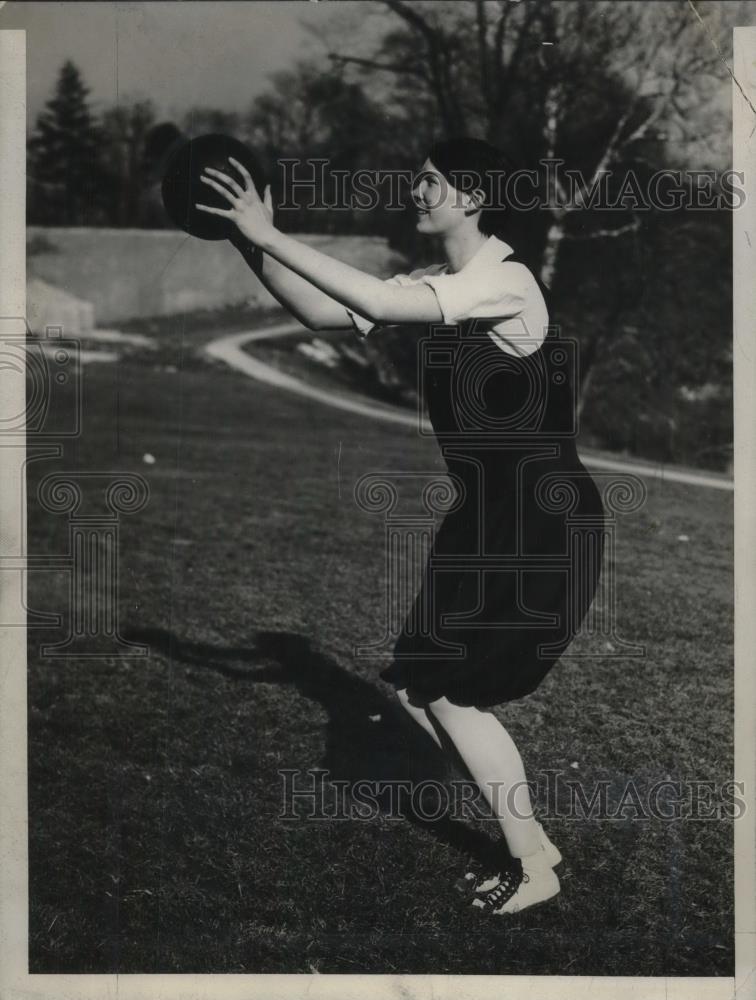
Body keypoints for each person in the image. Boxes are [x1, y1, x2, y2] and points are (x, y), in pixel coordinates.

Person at [196, 136, 605, 916]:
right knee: (421, 689)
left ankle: (534, 866)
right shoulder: (439, 281)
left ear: (473, 196)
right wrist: (247, 241)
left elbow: (381, 307)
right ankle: (536, 846)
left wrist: (269, 234)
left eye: (430, 183)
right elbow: (326, 311)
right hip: (485, 515)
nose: (416, 193)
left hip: (539, 517)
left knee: (452, 696)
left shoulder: (507, 282)